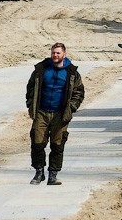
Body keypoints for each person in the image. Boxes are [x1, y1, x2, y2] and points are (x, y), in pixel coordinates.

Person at [26, 42, 85, 186]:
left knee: (57, 145)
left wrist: (71, 108)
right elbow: (31, 88)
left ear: (64, 54)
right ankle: (39, 172)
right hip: (42, 112)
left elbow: (79, 92)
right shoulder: (41, 70)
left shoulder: (71, 73)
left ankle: (53, 174)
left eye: (58, 53)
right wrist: (30, 104)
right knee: (37, 142)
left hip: (61, 114)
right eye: (53, 52)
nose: (55, 55)